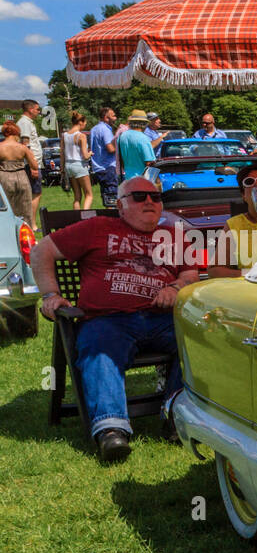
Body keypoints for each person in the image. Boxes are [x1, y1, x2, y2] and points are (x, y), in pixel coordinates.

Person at [30, 176, 198, 462]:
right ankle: (111, 430)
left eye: (155, 197)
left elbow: (189, 275)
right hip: (109, 320)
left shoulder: (173, 235)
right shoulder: (98, 228)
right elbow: (41, 250)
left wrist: (175, 287)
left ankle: (176, 415)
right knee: (100, 347)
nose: (149, 201)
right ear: (120, 206)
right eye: (140, 197)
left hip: (162, 318)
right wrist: (50, 295)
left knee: (201, 342)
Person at [0, 121, 38, 227]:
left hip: (4, 178)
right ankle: (27, 234)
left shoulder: (1, 147)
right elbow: (34, 165)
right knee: (26, 210)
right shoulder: (22, 147)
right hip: (21, 178)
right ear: (17, 133)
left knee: (6, 210)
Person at [62, 111, 94, 211]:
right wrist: (90, 154)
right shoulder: (81, 136)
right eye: (85, 123)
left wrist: (62, 169)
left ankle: (76, 219)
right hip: (79, 165)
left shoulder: (64, 135)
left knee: (77, 196)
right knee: (89, 195)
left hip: (68, 165)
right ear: (80, 122)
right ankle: (84, 218)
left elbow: (62, 153)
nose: (85, 125)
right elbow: (85, 155)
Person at [89, 106, 119, 207]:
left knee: (106, 199)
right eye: (113, 116)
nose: (116, 118)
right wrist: (119, 145)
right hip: (108, 167)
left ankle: (107, 219)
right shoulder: (105, 130)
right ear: (106, 118)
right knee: (112, 199)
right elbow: (110, 148)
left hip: (98, 167)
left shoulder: (94, 129)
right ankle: (111, 220)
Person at [17, 99, 43, 213]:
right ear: (30, 109)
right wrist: (32, 166)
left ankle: (30, 222)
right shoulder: (25, 123)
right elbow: (25, 145)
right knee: (35, 193)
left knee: (33, 193)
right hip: (31, 164)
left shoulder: (27, 122)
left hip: (32, 163)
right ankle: (31, 223)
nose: (39, 112)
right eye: (38, 109)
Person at [117, 110, 157, 181]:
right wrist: (155, 181)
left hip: (127, 179)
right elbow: (149, 163)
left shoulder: (121, 137)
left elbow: (121, 160)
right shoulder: (143, 138)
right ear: (144, 124)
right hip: (142, 181)